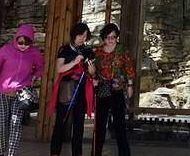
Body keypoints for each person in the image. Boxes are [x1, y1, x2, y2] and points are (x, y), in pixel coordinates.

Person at [0, 24, 44, 156]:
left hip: (20, 93)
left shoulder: (34, 53)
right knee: (3, 123)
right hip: (2, 92)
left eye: (27, 43)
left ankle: (11, 154)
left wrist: (34, 76)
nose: (23, 46)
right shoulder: (5, 50)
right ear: (16, 39)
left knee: (15, 123)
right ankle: (2, 152)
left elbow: (40, 67)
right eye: (20, 42)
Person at [48, 22, 95, 156]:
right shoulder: (64, 49)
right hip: (67, 89)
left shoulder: (88, 51)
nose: (82, 38)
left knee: (79, 124)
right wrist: (74, 62)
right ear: (74, 35)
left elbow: (92, 72)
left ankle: (77, 153)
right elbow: (59, 68)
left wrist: (90, 67)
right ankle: (55, 152)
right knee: (60, 122)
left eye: (85, 36)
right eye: (80, 35)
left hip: (81, 89)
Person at [91, 22, 135, 156]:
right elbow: (93, 71)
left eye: (113, 37)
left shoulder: (122, 51)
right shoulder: (98, 52)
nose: (110, 40)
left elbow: (129, 68)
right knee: (100, 124)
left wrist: (130, 85)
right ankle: (96, 152)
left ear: (117, 37)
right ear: (103, 38)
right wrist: (93, 77)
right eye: (107, 37)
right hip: (102, 89)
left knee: (120, 124)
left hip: (118, 89)